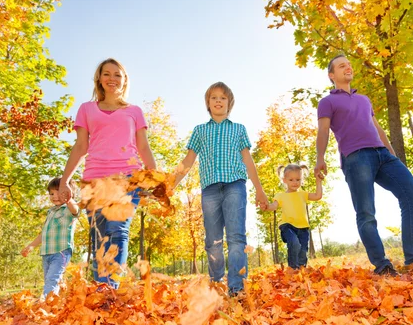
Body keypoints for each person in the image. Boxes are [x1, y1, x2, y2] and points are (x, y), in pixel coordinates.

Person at [314, 54, 413, 276]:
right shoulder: (327, 102)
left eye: (348, 64)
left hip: (383, 155)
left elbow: (377, 128)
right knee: (366, 213)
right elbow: (323, 131)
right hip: (356, 157)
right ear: (331, 75)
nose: (347, 67)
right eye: (341, 66)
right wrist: (320, 158)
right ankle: (382, 265)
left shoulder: (364, 100)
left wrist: (393, 155)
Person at [58, 58, 157, 288]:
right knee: (100, 237)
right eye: (107, 74)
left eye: (117, 75)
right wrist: (65, 180)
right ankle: (101, 287)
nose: (112, 79)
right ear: (99, 79)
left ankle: (109, 289)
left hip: (127, 180)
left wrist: (155, 178)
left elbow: (143, 147)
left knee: (118, 231)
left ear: (124, 80)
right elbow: (81, 146)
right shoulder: (87, 109)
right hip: (94, 180)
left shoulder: (134, 111)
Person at [172, 81, 269, 296]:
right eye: (214, 97)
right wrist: (170, 186)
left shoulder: (238, 129)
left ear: (229, 103)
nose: (218, 100)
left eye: (223, 98)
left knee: (236, 237)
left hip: (235, 185)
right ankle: (216, 282)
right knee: (213, 240)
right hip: (210, 190)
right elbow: (187, 162)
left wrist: (259, 190)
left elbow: (248, 161)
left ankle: (236, 287)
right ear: (208, 102)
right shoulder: (200, 131)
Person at [21, 177, 80, 298]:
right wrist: (31, 246)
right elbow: (44, 233)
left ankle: (46, 302)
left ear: (69, 193)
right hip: (47, 252)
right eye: (52, 193)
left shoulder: (69, 209)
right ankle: (60, 300)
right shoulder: (51, 212)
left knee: (52, 278)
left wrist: (69, 199)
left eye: (58, 192)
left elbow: (76, 209)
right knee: (52, 279)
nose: (54, 196)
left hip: (61, 251)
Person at [265, 164, 323, 270]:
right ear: (284, 180)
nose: (295, 182)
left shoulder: (303, 194)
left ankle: (301, 270)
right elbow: (273, 206)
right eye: (291, 179)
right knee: (294, 243)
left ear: (302, 180)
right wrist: (266, 206)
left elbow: (318, 196)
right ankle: (292, 268)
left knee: (302, 251)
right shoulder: (280, 195)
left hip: (303, 227)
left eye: (298, 179)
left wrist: (318, 181)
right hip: (288, 226)